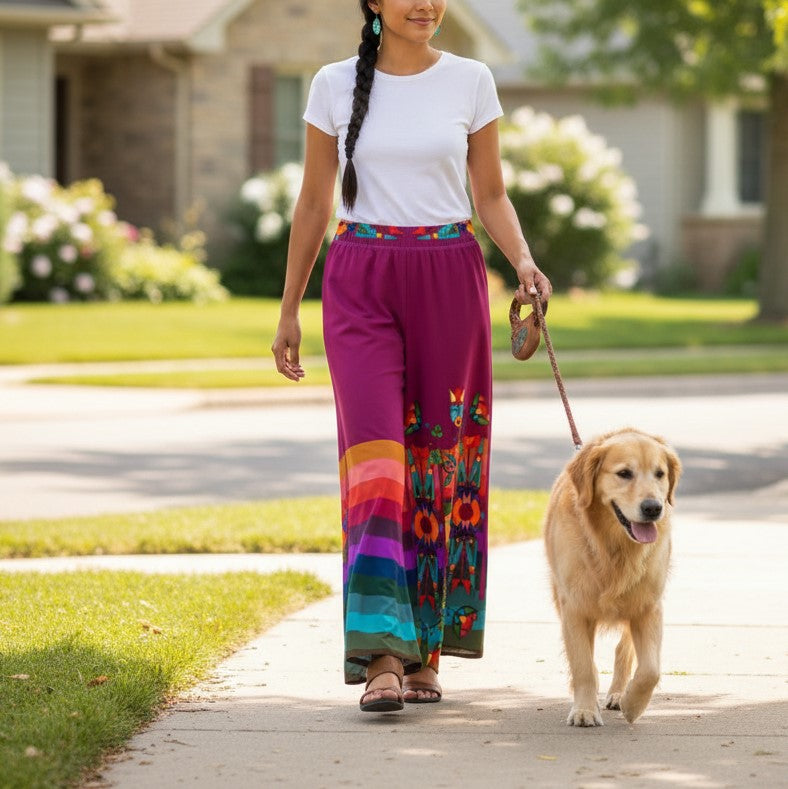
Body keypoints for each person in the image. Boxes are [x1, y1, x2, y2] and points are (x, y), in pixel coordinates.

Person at [272, 0, 552, 713]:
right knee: (377, 465)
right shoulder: (333, 84)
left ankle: (426, 650)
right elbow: (313, 202)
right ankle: (381, 655)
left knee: (440, 462)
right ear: (373, 2)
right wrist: (289, 307)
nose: (425, 3)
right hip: (359, 277)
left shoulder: (471, 79)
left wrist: (522, 260)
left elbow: (490, 192)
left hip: (449, 276)